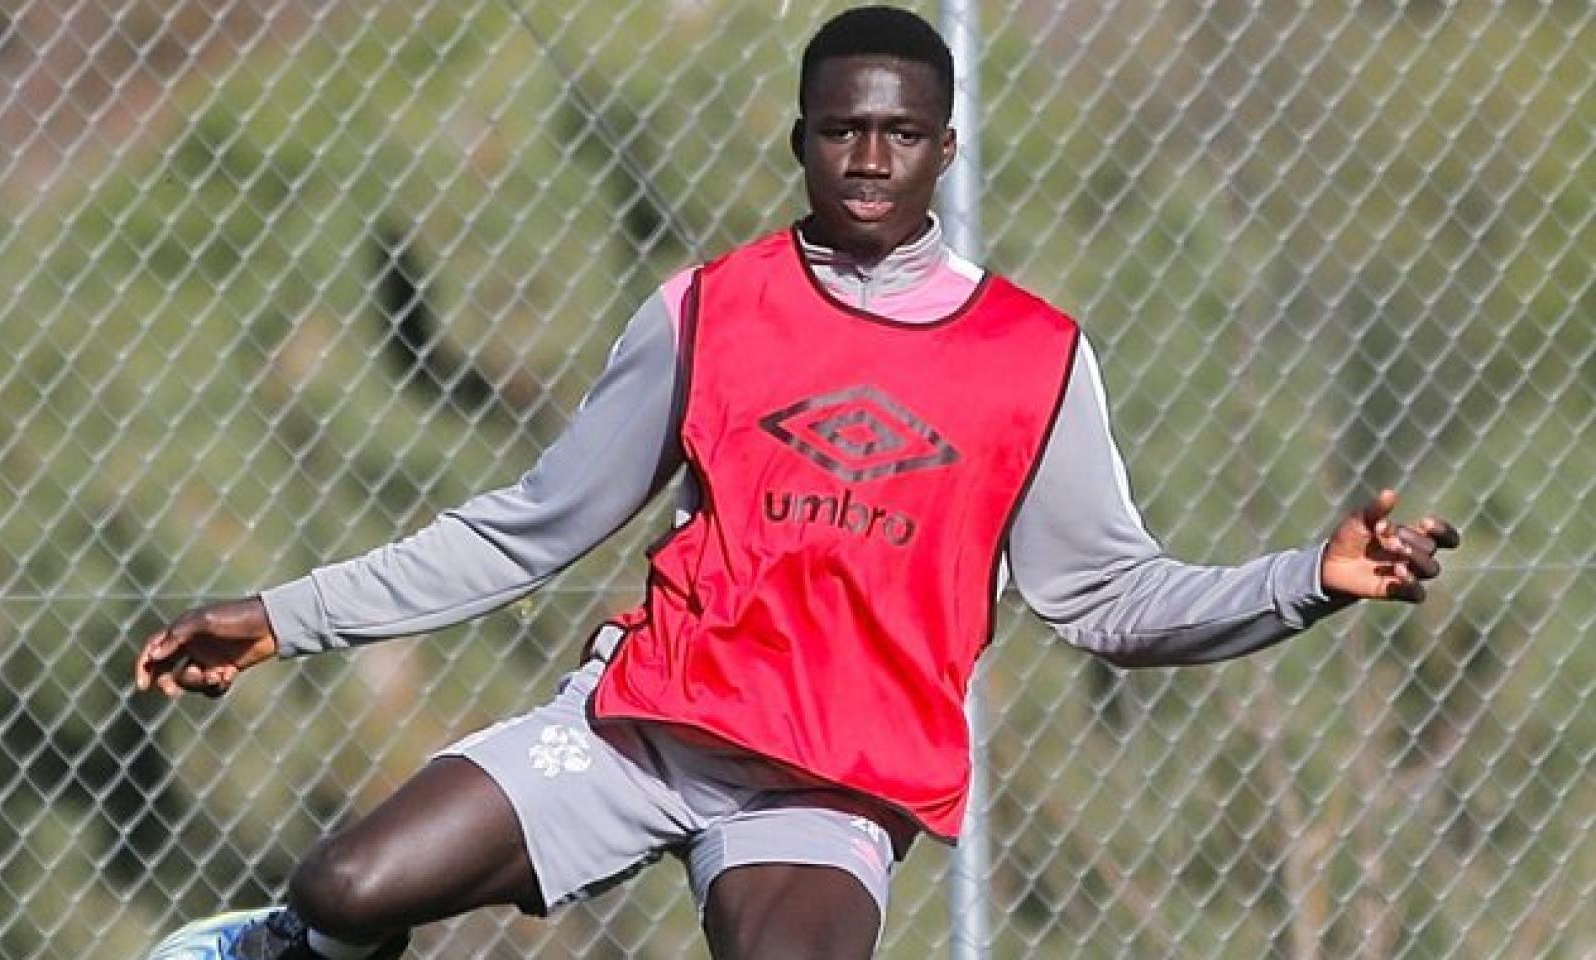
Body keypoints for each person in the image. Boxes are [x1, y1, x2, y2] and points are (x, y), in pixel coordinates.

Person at [133, 6, 1460, 959]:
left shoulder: (1031, 358)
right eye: (840, 131)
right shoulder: (711, 309)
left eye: (897, 134)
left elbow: (1109, 601)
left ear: (945, 147)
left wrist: (1306, 583)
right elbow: (525, 530)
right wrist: (281, 616)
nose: (867, 159)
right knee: (349, 886)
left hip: (825, 789)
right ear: (802, 141)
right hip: (639, 729)